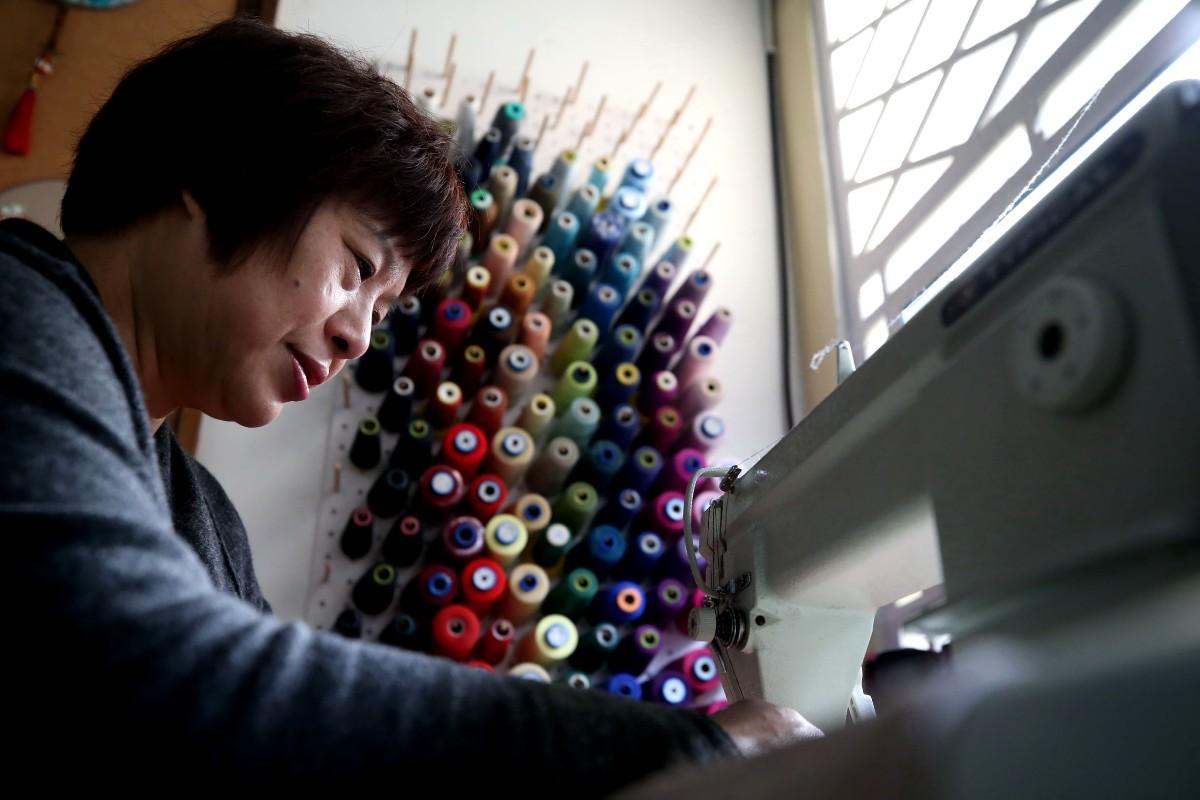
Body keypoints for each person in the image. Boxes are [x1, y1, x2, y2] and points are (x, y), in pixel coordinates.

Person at [1, 16, 817, 792]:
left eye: (383, 310)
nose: (358, 336)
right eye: (357, 268)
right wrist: (687, 753)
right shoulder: (18, 307)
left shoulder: (203, 516)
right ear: (215, 176)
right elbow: (161, 678)